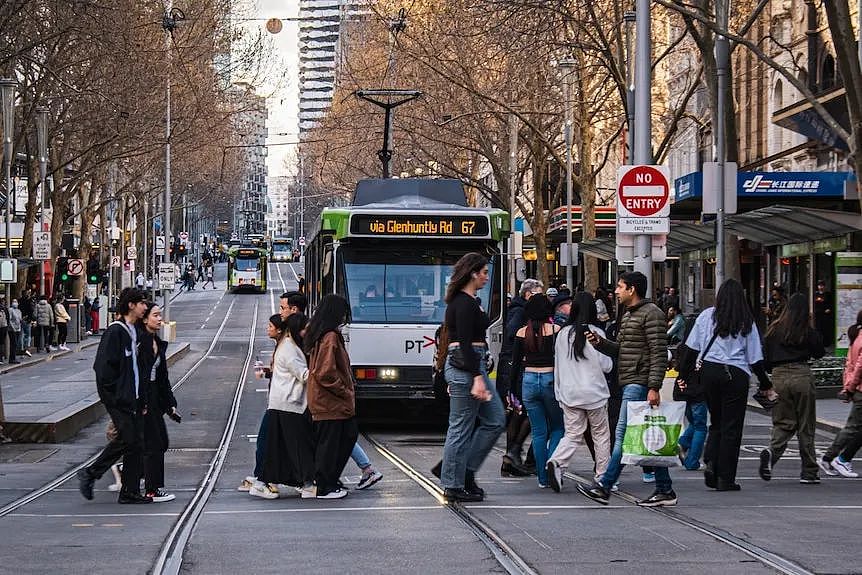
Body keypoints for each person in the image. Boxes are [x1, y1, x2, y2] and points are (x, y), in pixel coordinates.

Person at [578, 271, 675, 507]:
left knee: (622, 436)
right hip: (631, 380)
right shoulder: (630, 314)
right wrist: (600, 343)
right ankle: (664, 489)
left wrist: (653, 386)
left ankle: (604, 486)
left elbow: (658, 352)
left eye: (620, 287)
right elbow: (622, 349)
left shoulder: (652, 314)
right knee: (647, 437)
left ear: (632, 289)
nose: (616, 291)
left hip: (639, 382)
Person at [679, 279, 775, 492]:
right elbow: (755, 359)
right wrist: (766, 383)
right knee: (732, 427)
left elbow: (691, 348)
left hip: (710, 371)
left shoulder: (706, 316)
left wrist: (683, 375)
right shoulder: (746, 321)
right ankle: (726, 477)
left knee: (716, 422)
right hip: (736, 374)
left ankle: (711, 462)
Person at [439, 253, 505, 502]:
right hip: (467, 366)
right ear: (472, 273)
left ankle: (464, 471)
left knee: (495, 419)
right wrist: (476, 376)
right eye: (484, 272)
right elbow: (463, 344)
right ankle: (453, 483)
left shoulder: (469, 301)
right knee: (460, 426)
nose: (487, 277)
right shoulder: (463, 304)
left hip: (470, 364)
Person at [77, 288, 152, 504]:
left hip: (134, 398)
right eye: (142, 303)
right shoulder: (115, 332)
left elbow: (138, 369)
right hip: (120, 399)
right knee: (130, 440)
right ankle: (91, 473)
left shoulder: (134, 330)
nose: (145, 307)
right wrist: (114, 396)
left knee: (134, 443)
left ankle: (128, 491)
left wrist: (142, 398)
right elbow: (102, 369)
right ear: (131, 305)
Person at [237, 292, 307, 494]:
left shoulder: (289, 344)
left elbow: (300, 372)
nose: (280, 311)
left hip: (287, 402)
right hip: (285, 402)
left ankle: (266, 479)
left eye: (282, 308)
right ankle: (266, 479)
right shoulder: (288, 344)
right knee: (271, 442)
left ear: (293, 310)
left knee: (272, 442)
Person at [546, 295, 613, 493]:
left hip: (569, 392)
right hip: (595, 393)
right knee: (600, 435)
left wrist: (559, 392)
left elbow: (557, 366)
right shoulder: (597, 333)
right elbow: (607, 365)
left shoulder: (563, 334)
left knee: (573, 434)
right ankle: (602, 476)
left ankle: (557, 461)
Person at [761, 293, 826, 484]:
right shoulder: (806, 330)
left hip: (779, 376)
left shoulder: (774, 329)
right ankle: (809, 471)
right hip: (802, 374)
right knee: (806, 425)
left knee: (783, 422)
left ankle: (771, 453)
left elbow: (765, 360)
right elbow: (819, 352)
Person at [255, 313, 316, 499]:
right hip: (289, 404)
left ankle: (294, 482)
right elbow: (303, 375)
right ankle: (302, 483)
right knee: (298, 446)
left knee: (282, 447)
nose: (307, 332)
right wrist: (322, 371)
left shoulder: (287, 345)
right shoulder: (290, 348)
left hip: (283, 403)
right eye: (305, 329)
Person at [304, 294, 358, 499]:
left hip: (325, 401)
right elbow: (325, 372)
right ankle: (325, 486)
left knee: (340, 438)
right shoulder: (330, 337)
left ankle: (329, 481)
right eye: (343, 312)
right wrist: (345, 390)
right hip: (331, 402)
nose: (345, 317)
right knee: (334, 443)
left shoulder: (320, 333)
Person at [512, 295, 563, 488]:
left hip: (529, 381)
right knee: (558, 427)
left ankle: (542, 478)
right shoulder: (556, 331)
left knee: (539, 432)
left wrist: (512, 392)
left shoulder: (521, 333)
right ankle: (553, 462)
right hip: (550, 380)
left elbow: (515, 365)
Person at [497, 278, 543, 477]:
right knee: (521, 411)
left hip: (513, 366)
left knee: (520, 411)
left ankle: (512, 457)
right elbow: (512, 334)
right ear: (528, 294)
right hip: (513, 366)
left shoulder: (521, 310)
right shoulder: (520, 312)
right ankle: (512, 455)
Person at [138, 302, 180, 502]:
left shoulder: (157, 341)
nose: (160, 318)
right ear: (145, 319)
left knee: (160, 441)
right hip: (143, 398)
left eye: (160, 315)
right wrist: (142, 402)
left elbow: (162, 377)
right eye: (155, 315)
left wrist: (170, 404)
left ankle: (135, 473)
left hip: (154, 397)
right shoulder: (139, 342)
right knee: (153, 444)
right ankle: (151, 489)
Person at [819, 310, 862, 478]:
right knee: (852, 428)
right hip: (860, 389)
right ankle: (832, 458)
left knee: (853, 428)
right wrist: (850, 388)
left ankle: (837, 458)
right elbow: (859, 366)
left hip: (856, 388)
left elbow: (849, 365)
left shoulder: (856, 337)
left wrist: (848, 387)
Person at [813, 280, 834, 348]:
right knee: (818, 329)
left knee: (826, 329)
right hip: (818, 315)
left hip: (826, 315)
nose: (821, 287)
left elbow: (831, 304)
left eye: (822, 285)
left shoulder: (828, 294)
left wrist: (829, 309)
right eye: (819, 285)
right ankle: (818, 343)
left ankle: (826, 343)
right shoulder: (815, 294)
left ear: (824, 286)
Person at [19, 290, 34, 357]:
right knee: (28, 335)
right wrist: (30, 319)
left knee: (21, 335)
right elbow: (31, 310)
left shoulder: (19, 301)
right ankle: (26, 349)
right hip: (27, 320)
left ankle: (22, 349)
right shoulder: (29, 301)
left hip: (20, 319)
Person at [7, 299, 22, 364]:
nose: (15, 303)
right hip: (12, 330)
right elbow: (9, 320)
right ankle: (12, 358)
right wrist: (12, 328)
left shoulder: (19, 311)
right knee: (13, 343)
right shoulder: (10, 310)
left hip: (18, 329)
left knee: (16, 344)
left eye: (16, 302)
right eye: (13, 301)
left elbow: (20, 319)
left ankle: (14, 357)